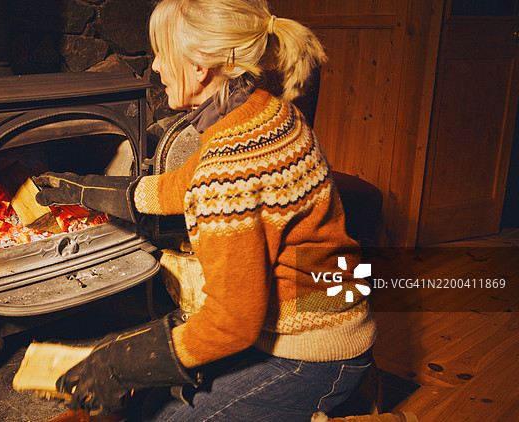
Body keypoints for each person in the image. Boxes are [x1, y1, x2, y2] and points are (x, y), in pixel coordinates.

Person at [33, 0, 377, 420]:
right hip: (328, 317)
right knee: (151, 401)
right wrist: (87, 190)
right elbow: (184, 184)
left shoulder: (229, 167)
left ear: (200, 67)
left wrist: (115, 362)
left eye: (161, 53)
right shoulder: (262, 112)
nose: (156, 67)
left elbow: (232, 320)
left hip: (312, 354)